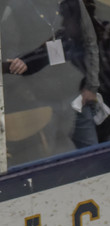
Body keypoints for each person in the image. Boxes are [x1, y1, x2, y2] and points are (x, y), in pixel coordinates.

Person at [3, 0, 101, 149]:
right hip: (39, 102)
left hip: (77, 97)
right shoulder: (17, 8)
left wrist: (92, 86)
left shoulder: (73, 3)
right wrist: (26, 94)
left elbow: (90, 42)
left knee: (92, 153)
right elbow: (8, 57)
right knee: (49, 161)